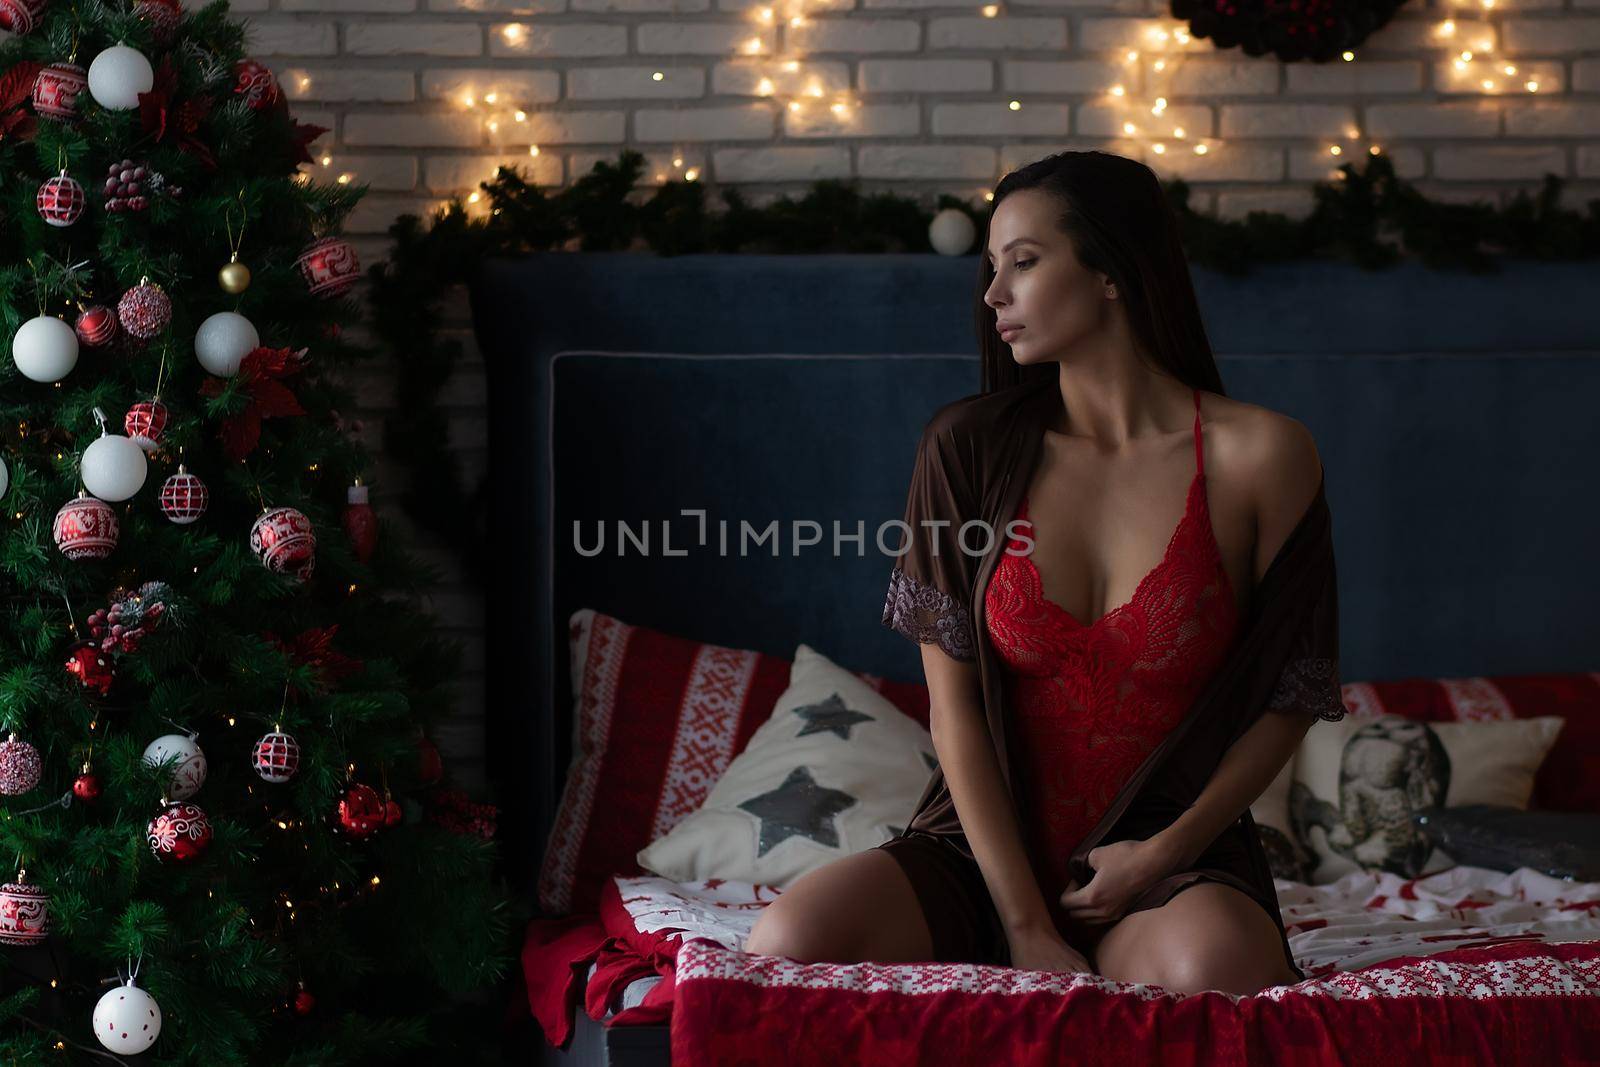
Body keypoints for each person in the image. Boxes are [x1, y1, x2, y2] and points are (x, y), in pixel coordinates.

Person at [743, 150, 1345, 997]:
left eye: (1023, 263)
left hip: (1163, 859)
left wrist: (1158, 858)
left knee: (1218, 970)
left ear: (1112, 272)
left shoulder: (1264, 456)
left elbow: (1291, 698)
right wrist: (1023, 923)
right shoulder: (968, 449)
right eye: (991, 270)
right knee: (788, 942)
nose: (993, 296)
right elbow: (953, 711)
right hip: (978, 855)